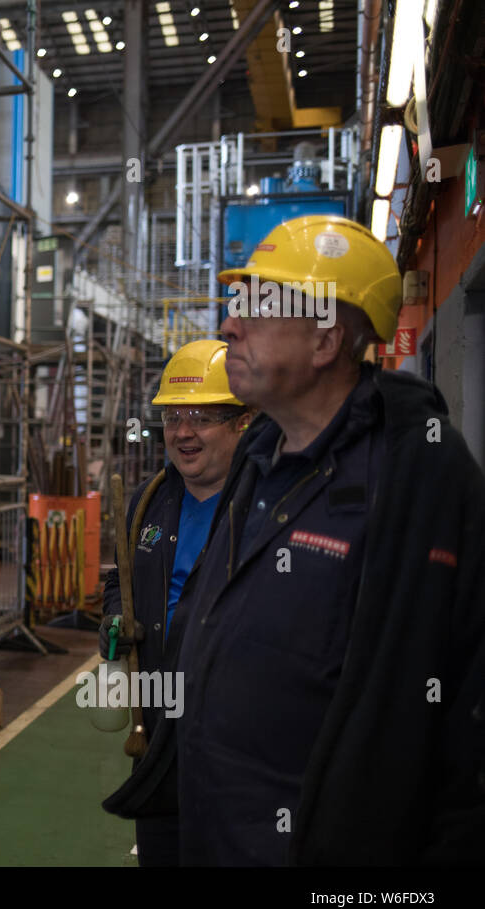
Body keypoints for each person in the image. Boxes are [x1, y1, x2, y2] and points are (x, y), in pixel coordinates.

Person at [173, 214, 485, 864]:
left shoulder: (419, 476)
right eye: (236, 303)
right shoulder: (258, 459)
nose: (230, 324)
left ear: (325, 342)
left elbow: (455, 712)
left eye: (259, 306)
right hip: (210, 836)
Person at [99, 339, 253, 866]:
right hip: (158, 728)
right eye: (173, 417)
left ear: (242, 422)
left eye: (203, 416)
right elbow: (120, 578)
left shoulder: (266, 509)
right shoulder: (146, 503)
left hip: (241, 736)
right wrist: (117, 613)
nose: (184, 432)